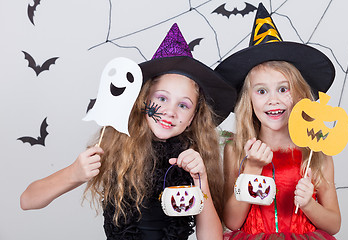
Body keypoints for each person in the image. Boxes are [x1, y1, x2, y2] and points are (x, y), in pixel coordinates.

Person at [20, 23, 237, 240]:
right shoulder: (115, 149)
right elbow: (28, 200)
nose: (170, 111)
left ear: (192, 119)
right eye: (162, 98)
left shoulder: (192, 160)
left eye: (183, 105)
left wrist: (201, 181)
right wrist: (74, 173)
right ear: (143, 100)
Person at [215, 3, 341, 239]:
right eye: (261, 91)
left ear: (300, 95)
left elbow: (334, 224)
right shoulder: (236, 150)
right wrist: (252, 169)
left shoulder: (317, 152)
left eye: (283, 89)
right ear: (248, 101)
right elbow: (232, 222)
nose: (273, 100)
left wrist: (309, 205)